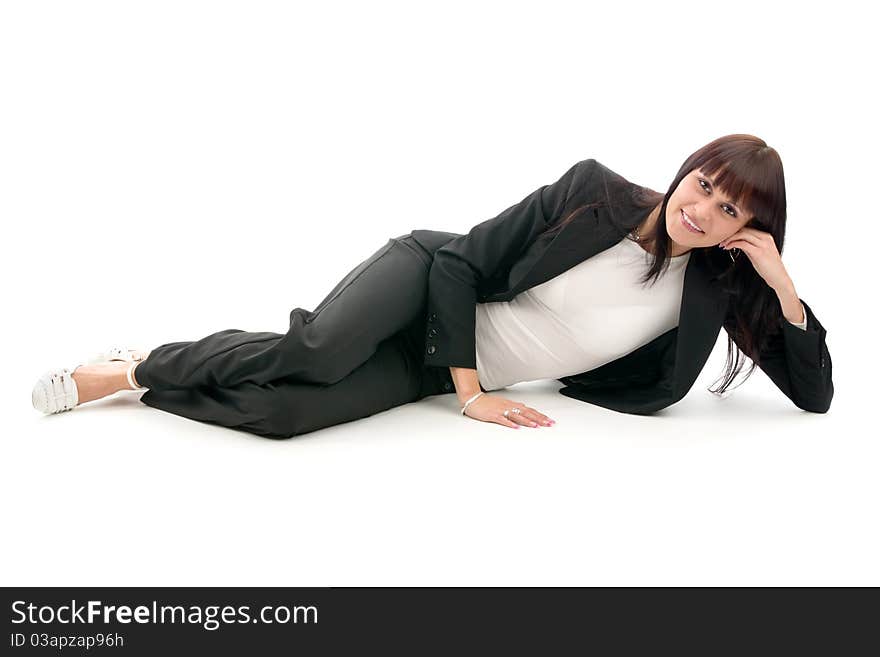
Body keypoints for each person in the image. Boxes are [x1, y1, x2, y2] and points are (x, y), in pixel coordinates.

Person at [31, 133, 834, 437]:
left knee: (284, 412)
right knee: (315, 348)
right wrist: (471, 393)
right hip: (429, 283)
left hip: (436, 367)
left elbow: (814, 395)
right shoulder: (596, 189)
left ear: (743, 229)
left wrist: (781, 284)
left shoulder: (718, 289)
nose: (702, 208)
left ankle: (150, 378)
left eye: (729, 209)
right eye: (703, 184)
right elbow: (459, 262)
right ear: (687, 168)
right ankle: (132, 367)